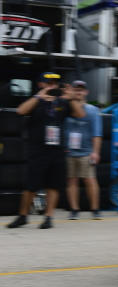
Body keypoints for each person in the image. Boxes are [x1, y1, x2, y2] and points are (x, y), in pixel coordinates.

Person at [7, 73, 84, 229]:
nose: (52, 86)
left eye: (55, 83)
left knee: (53, 185)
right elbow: (20, 111)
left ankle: (48, 217)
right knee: (31, 185)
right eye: (48, 83)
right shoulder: (37, 101)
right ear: (41, 84)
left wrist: (71, 98)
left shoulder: (62, 102)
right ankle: (23, 216)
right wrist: (39, 97)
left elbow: (80, 114)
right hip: (37, 150)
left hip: (57, 150)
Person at [64, 81, 103, 219]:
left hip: (87, 151)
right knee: (71, 180)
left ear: (86, 92)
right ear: (72, 91)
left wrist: (96, 152)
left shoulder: (92, 110)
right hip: (70, 151)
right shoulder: (67, 107)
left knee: (90, 179)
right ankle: (74, 210)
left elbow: (97, 133)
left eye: (81, 90)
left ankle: (95, 209)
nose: (79, 92)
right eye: (76, 90)